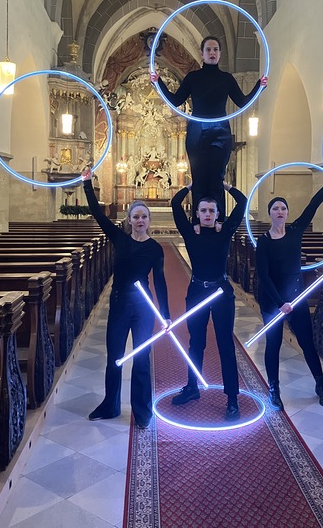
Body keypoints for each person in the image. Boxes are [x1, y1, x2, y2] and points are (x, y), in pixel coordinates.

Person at [81, 167, 170, 428]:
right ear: (129, 220)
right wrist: (87, 183)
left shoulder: (155, 249)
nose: (140, 220)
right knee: (115, 356)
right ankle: (110, 405)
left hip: (143, 307)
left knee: (141, 359)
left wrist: (165, 315)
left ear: (149, 220)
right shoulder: (119, 238)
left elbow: (161, 282)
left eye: (144, 216)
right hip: (119, 303)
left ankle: (142, 411)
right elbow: (98, 213)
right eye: (136, 216)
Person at [151, 36, 267, 224]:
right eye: (208, 50)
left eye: (215, 50)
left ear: (220, 54)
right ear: (202, 53)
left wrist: (259, 86)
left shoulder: (227, 79)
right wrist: (158, 82)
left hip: (221, 132)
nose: (212, 53)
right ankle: (197, 223)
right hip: (197, 131)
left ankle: (218, 222)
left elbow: (243, 101)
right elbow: (176, 100)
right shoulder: (193, 78)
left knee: (217, 178)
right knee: (199, 178)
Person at [256, 174, 323, 411]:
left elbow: (313, 205)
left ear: (287, 213)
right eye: (275, 208)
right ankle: (274, 390)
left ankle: (320, 385)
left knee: (307, 343)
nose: (280, 211)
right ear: (270, 213)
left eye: (283, 208)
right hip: (273, 302)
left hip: (297, 298)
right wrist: (280, 303)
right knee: (273, 344)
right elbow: (263, 276)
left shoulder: (295, 231)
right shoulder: (263, 241)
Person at [171, 181, 246, 420]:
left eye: (211, 211)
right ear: (197, 213)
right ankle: (192, 387)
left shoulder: (225, 232)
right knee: (196, 342)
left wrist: (225, 186)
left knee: (225, 344)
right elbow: (175, 204)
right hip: (197, 291)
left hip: (221, 292)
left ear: (217, 214)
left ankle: (232, 398)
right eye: (203, 210)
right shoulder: (190, 233)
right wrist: (190, 186)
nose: (207, 214)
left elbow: (242, 202)